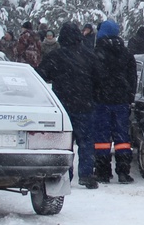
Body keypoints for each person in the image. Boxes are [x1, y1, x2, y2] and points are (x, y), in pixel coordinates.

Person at [38, 23, 99, 190]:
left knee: (64, 142)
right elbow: (99, 79)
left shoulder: (55, 56)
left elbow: (40, 76)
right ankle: (86, 175)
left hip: (62, 106)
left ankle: (65, 174)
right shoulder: (89, 56)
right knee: (86, 142)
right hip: (85, 105)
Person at [91, 20, 136, 183]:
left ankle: (103, 172)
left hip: (101, 101)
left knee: (101, 138)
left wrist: (93, 95)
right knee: (122, 138)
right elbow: (132, 78)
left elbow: (91, 78)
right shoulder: (126, 53)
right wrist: (129, 96)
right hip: (121, 101)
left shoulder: (96, 53)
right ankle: (123, 172)